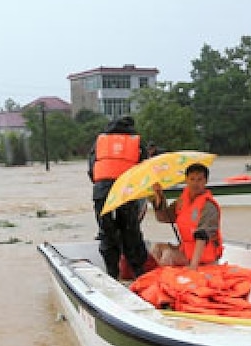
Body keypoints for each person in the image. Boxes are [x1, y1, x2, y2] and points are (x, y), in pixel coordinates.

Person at [88, 115, 149, 280]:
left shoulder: (100, 142)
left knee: (106, 232)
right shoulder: (136, 142)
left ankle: (112, 275)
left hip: (102, 191)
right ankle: (138, 274)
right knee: (130, 231)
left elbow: (92, 169)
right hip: (127, 191)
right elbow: (145, 169)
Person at [148, 163, 222, 268]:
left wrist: (193, 266)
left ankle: (169, 278)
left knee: (167, 256)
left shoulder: (209, 206)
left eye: (199, 179)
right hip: (186, 251)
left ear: (205, 181)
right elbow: (164, 217)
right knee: (156, 248)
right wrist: (159, 196)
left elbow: (203, 236)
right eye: (192, 179)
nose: (195, 183)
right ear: (186, 180)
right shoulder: (182, 201)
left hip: (203, 256)